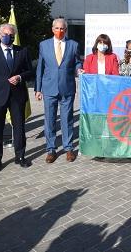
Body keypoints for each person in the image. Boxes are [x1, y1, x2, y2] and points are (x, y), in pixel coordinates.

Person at [0, 23, 33, 173]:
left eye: (11, 35)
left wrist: (20, 77)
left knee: (19, 128)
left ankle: (20, 156)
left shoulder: (22, 51)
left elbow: (30, 71)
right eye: (5, 34)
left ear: (14, 36)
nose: (8, 37)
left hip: (17, 96)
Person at [35, 18, 80, 163]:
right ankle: (51, 149)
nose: (60, 31)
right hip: (49, 88)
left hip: (67, 87)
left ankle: (68, 149)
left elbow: (77, 62)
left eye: (62, 29)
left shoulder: (73, 45)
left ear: (65, 30)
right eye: (57, 28)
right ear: (52, 29)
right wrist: (37, 88)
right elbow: (40, 67)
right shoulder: (44, 45)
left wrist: (79, 70)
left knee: (67, 119)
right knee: (50, 120)